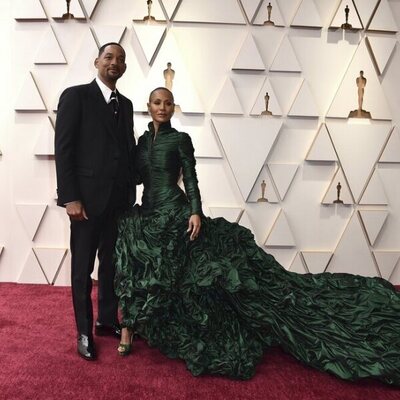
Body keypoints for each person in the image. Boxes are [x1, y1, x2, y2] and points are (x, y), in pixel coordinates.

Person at [114, 87, 400, 385]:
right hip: (147, 214)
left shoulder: (180, 139)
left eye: (168, 103)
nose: (162, 107)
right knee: (134, 261)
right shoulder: (141, 143)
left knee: (201, 276)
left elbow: (191, 177)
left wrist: (195, 211)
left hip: (176, 213)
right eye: (157, 103)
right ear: (148, 106)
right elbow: (136, 178)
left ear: (174, 108)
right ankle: (129, 328)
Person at [55, 42, 136, 361]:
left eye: (120, 59)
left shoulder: (126, 105)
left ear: (125, 68)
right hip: (85, 203)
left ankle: (105, 320)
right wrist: (70, 197)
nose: (114, 63)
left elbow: (127, 149)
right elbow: (63, 149)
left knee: (112, 266)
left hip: (119, 202)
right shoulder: (76, 96)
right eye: (109, 57)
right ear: (97, 62)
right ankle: (84, 332)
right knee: (81, 269)